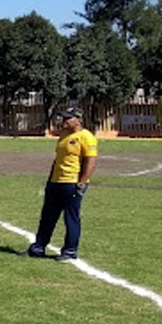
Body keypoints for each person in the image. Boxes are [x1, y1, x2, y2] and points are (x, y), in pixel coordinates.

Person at [27, 106, 98, 261]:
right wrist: (50, 179)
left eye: (68, 118)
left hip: (72, 182)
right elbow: (58, 159)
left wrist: (82, 182)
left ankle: (70, 251)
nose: (64, 120)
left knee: (70, 217)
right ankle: (38, 247)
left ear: (79, 120)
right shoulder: (64, 135)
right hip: (56, 182)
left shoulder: (86, 137)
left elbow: (90, 161)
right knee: (47, 216)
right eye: (64, 117)